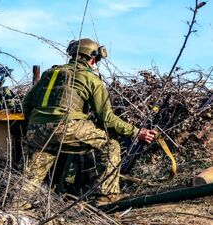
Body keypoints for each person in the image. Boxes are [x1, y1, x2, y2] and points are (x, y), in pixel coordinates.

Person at [21, 38, 156, 204]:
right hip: (67, 128)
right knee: (110, 146)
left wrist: (37, 123)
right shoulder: (92, 79)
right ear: (93, 58)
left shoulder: (50, 73)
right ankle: (106, 196)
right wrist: (137, 132)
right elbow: (107, 119)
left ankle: (16, 209)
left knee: (32, 176)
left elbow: (26, 103)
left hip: (36, 130)